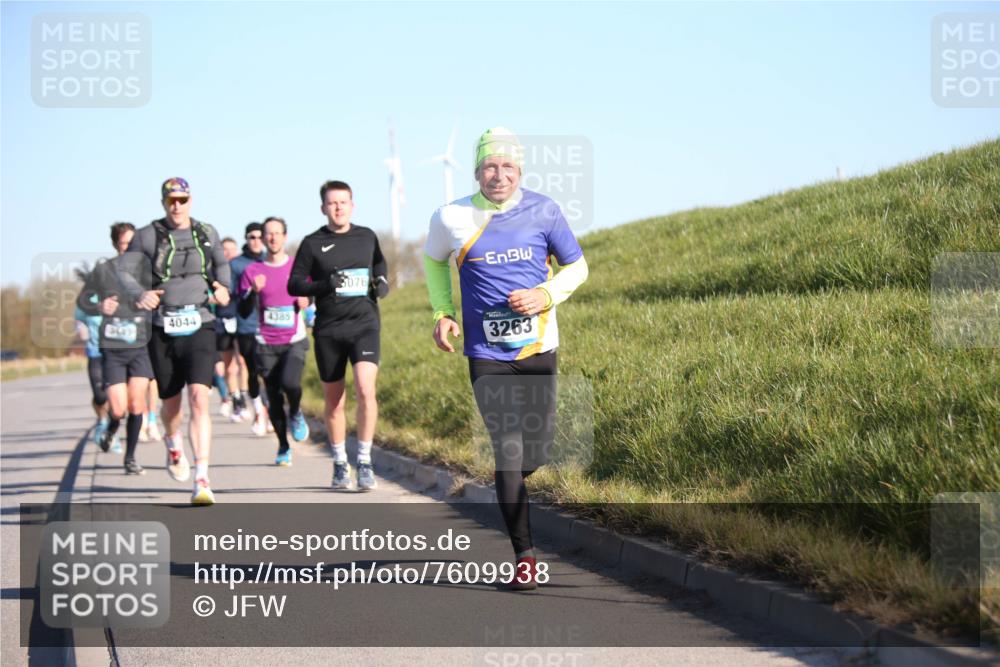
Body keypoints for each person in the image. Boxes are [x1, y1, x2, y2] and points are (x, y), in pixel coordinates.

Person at [424, 127, 589, 590]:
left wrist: (546, 294)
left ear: (520, 170)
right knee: (509, 449)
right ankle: (525, 558)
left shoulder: (545, 209)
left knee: (535, 450)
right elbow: (434, 260)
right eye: (490, 167)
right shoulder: (451, 216)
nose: (499, 175)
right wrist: (443, 312)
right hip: (486, 353)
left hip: (539, 347)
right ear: (477, 171)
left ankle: (510, 482)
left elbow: (578, 266)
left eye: (508, 167)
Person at [123, 177, 231, 505]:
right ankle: (173, 444)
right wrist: (139, 294)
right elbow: (123, 272)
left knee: (199, 397)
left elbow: (221, 265)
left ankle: (202, 477)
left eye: (182, 200)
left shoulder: (205, 233)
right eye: (171, 200)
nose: (177, 206)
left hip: (200, 322)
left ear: (190, 200)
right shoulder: (146, 235)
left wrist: (223, 287)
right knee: (171, 403)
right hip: (163, 327)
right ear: (163, 202)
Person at [288, 180, 389, 491]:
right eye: (332, 203)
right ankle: (340, 463)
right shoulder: (312, 243)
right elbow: (294, 285)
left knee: (365, 389)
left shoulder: (366, 236)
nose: (338, 208)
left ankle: (365, 461)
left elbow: (379, 263)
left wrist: (382, 280)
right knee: (334, 400)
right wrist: (324, 285)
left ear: (352, 205)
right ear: (323, 208)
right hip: (330, 330)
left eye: (343, 202)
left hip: (364, 325)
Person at [82, 222, 155, 474]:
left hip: (141, 346)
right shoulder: (104, 270)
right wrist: (99, 307)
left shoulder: (147, 271)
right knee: (118, 408)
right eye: (125, 245)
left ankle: (130, 457)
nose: (131, 250)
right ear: (115, 245)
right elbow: (83, 301)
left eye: (134, 245)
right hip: (113, 348)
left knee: (137, 405)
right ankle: (111, 428)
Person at [238, 216, 311, 465]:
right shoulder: (252, 272)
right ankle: (283, 446)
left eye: (277, 233)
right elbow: (244, 310)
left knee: (291, 384)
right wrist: (253, 292)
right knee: (274, 396)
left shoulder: (297, 267)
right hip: (265, 342)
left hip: (294, 339)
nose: (272, 237)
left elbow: (310, 296)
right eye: (268, 233)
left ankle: (298, 412)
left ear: (285, 236)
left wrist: (307, 302)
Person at [230, 223, 270, 434]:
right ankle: (257, 410)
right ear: (246, 239)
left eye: (259, 236)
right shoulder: (236, 265)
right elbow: (231, 295)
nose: (256, 240)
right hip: (246, 325)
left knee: (271, 371)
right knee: (253, 371)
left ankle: (270, 410)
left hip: (270, 324)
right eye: (251, 237)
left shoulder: (270, 261)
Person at [75, 270, 115, 452]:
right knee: (99, 395)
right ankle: (102, 419)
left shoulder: (117, 297)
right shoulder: (86, 301)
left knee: (114, 395)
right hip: (95, 352)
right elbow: (80, 320)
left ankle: (112, 432)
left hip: (115, 353)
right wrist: (81, 329)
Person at [214, 237, 241, 419]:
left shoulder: (241, 269)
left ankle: (242, 397)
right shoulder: (214, 272)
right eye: (225, 249)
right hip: (222, 322)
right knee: (228, 367)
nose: (228, 252)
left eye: (232, 249)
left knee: (243, 363)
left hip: (241, 321)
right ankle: (233, 398)